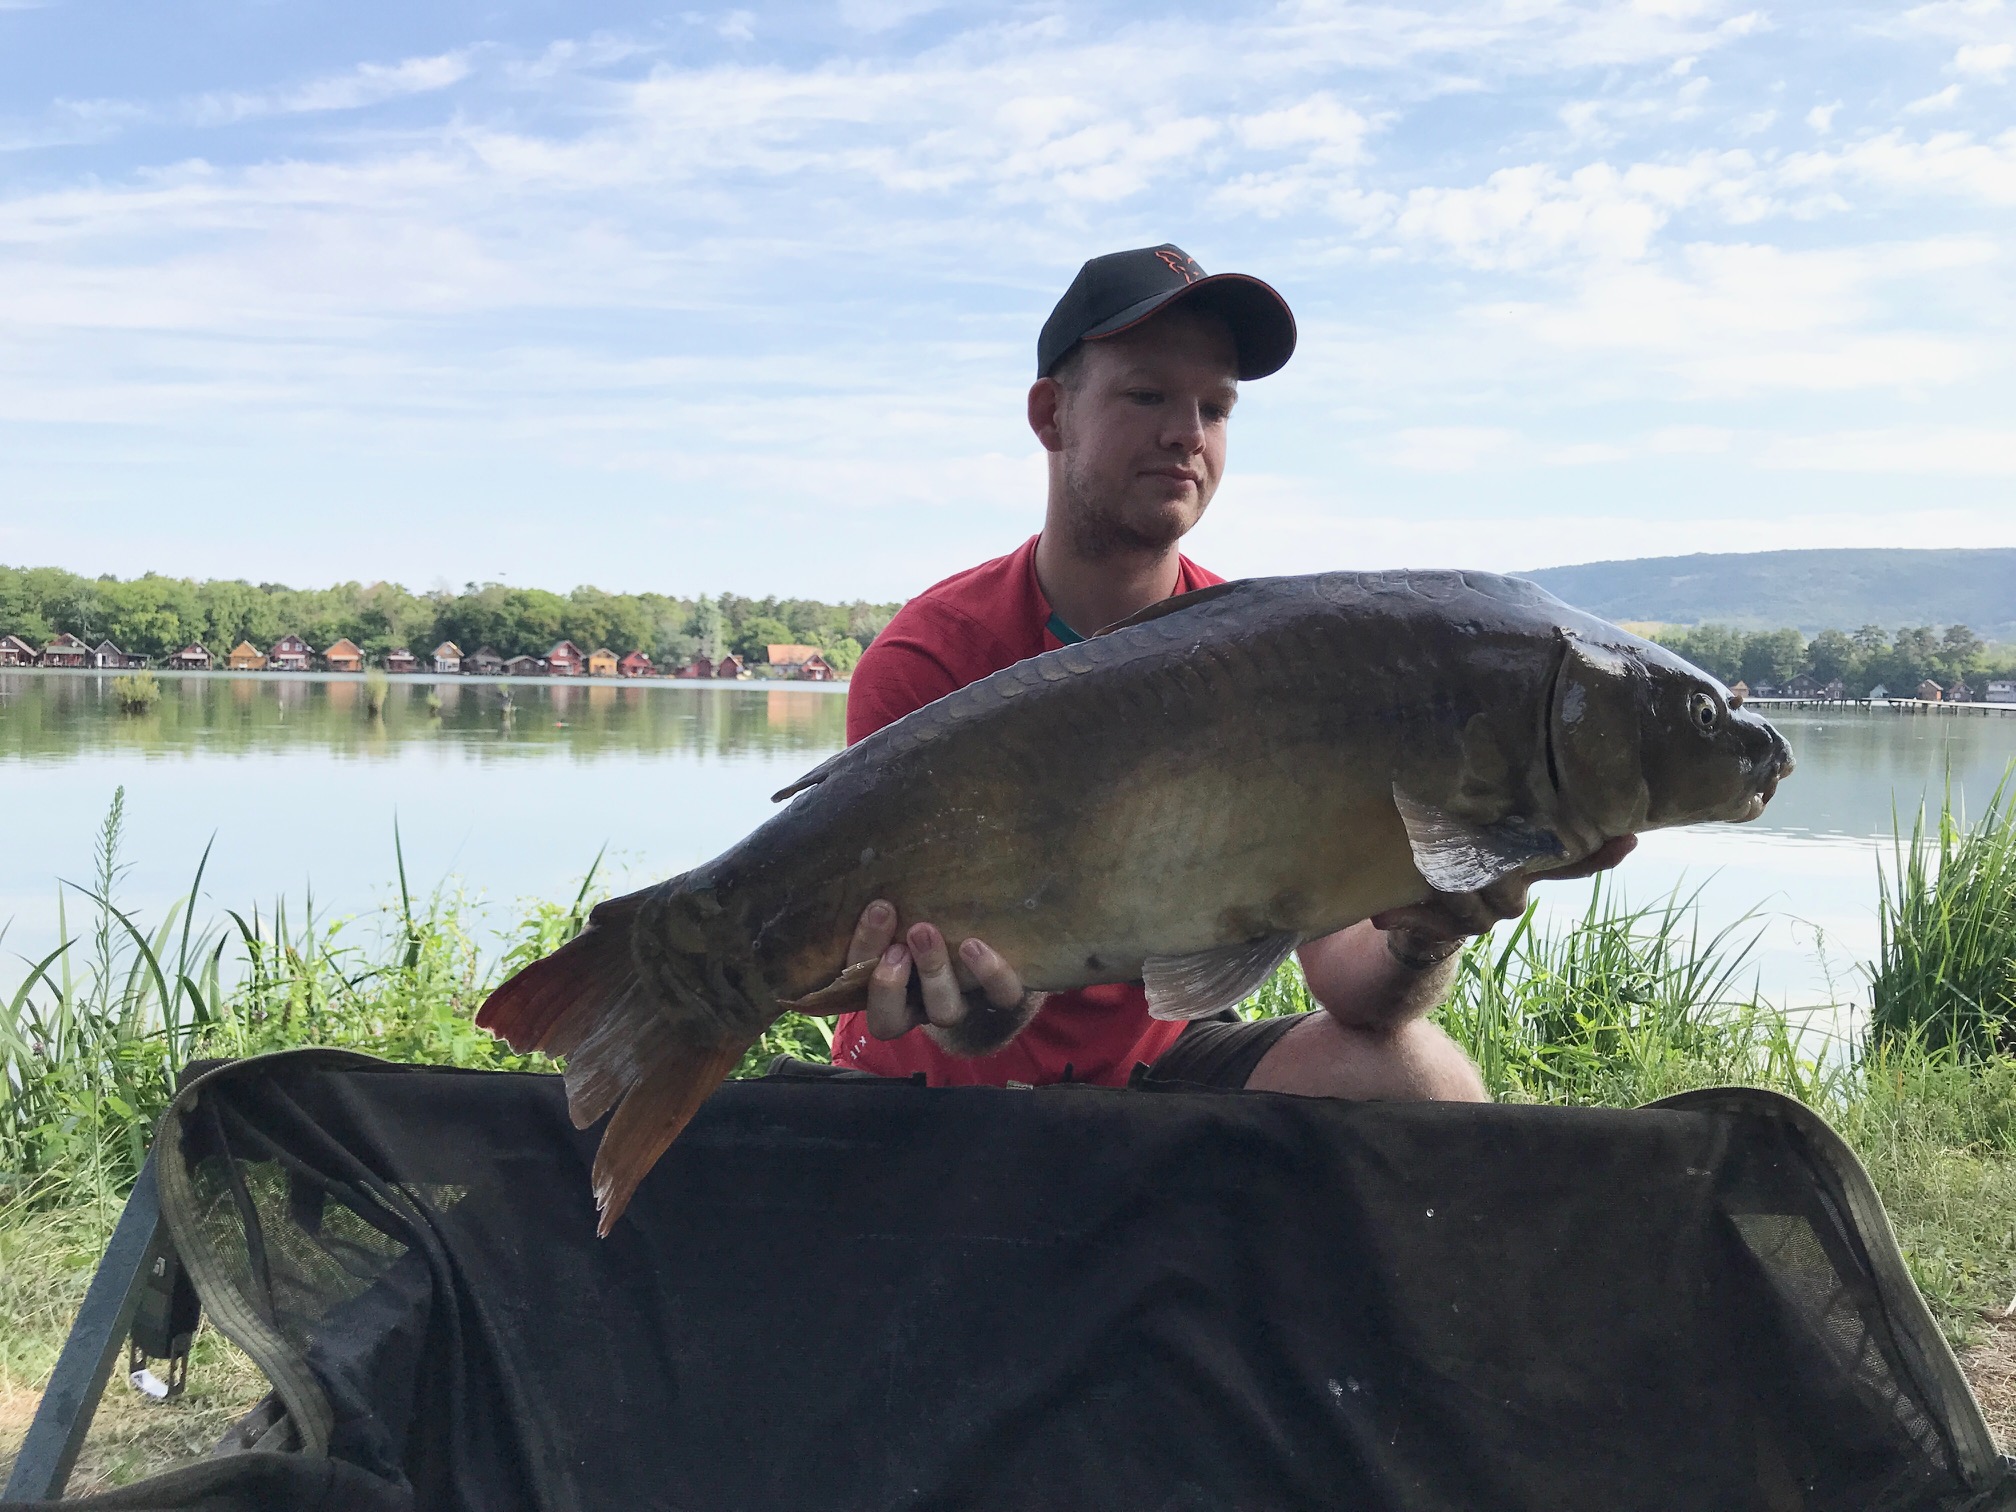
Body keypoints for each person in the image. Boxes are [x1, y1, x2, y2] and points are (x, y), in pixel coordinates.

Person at [823, 244, 1632, 1099]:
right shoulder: (930, 657)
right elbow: (948, 1008)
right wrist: (975, 1008)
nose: (1187, 433)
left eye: (1215, 408)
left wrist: (1426, 930)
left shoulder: (1277, 664)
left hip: (1153, 1069)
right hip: (934, 1090)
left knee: (1421, 1076)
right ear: (1051, 414)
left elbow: (1353, 987)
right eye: (1148, 396)